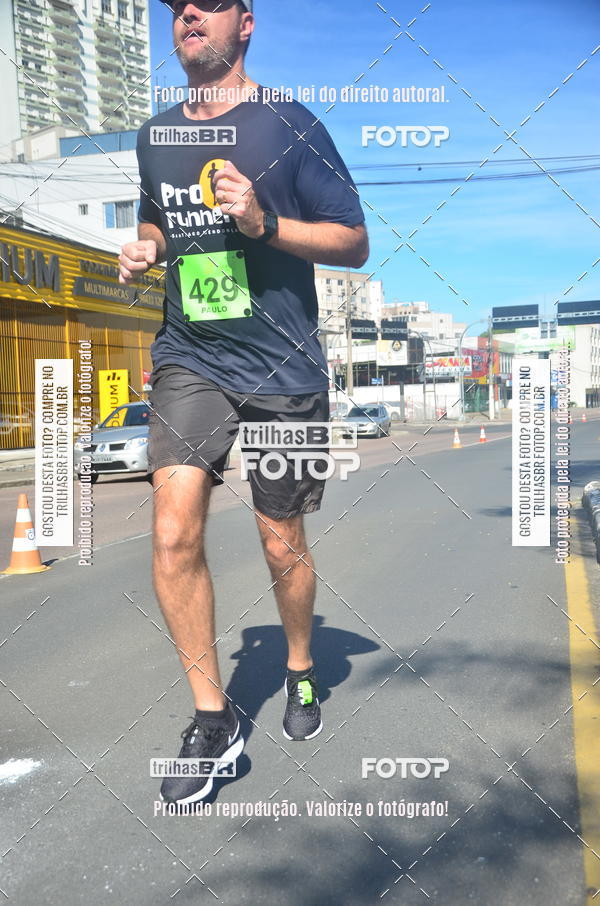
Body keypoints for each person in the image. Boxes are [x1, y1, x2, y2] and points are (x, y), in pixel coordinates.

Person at [118, 0, 368, 806]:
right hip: (190, 356)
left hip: (283, 367)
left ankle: (298, 668)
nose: (188, 12)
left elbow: (353, 239)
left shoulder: (290, 124)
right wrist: (147, 245)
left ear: (245, 23)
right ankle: (212, 717)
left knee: (280, 541)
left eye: (209, 2)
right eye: (176, 6)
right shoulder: (156, 135)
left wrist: (263, 222)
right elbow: (160, 217)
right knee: (170, 527)